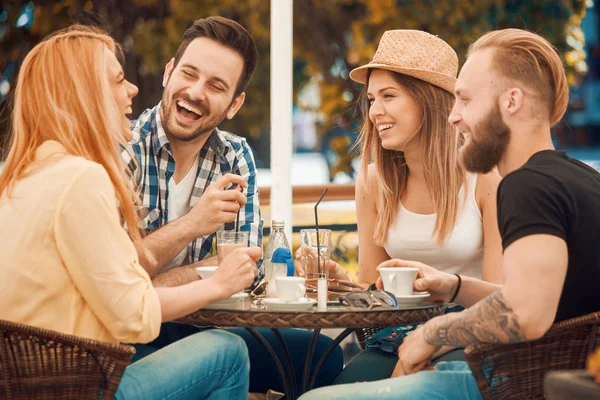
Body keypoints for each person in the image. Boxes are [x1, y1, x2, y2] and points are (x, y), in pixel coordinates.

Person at [299, 27, 600, 400]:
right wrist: (454, 285)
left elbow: (526, 313)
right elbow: (530, 295)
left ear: (511, 102)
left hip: (510, 378)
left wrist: (429, 334)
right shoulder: (583, 179)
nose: (454, 117)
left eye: (466, 100)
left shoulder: (524, 185)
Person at [0, 25, 262, 400]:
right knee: (228, 353)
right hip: (83, 383)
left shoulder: (25, 173)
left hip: (33, 383)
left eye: (217, 85)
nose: (134, 90)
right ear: (86, 94)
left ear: (235, 103)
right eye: (119, 80)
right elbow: (133, 314)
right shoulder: (83, 177)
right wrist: (216, 281)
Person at [123, 16, 343, 393]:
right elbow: (115, 283)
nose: (195, 92)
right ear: (168, 73)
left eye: (216, 86)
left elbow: (244, 265)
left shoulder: (235, 156)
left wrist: (153, 282)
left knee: (320, 356)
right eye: (188, 74)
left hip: (200, 324)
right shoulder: (123, 150)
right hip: (129, 335)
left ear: (234, 104)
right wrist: (195, 225)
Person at [307, 29, 502, 384]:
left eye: (389, 96)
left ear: (428, 101)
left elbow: (500, 300)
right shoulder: (373, 181)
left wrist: (429, 343)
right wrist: (341, 285)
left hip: (470, 339)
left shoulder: (484, 178)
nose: (374, 112)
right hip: (393, 338)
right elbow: (374, 292)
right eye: (371, 99)